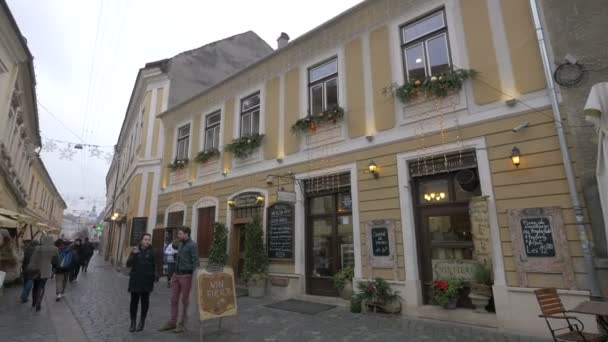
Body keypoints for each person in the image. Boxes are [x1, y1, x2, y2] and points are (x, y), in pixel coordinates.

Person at [158, 227, 199, 333]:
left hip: (186, 276)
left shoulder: (193, 245)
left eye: (180, 234)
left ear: (187, 234)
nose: (178, 235)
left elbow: (195, 261)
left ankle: (182, 324)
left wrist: (196, 276)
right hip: (176, 275)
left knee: (185, 301)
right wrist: (173, 275)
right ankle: (172, 322)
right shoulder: (180, 244)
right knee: (173, 299)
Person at [126, 233, 157, 332]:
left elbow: (155, 266)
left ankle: (142, 322)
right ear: (141, 240)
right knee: (134, 302)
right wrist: (133, 255)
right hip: (135, 279)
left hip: (147, 280)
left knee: (144, 302)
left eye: (149, 240)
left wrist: (154, 276)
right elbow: (128, 264)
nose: (147, 241)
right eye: (145, 239)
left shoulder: (152, 252)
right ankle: (133, 322)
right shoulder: (135, 250)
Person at [27, 234, 58, 311]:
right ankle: (39, 302)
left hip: (36, 270)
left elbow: (32, 259)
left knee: (35, 286)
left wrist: (30, 267)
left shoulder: (38, 248)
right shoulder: (55, 249)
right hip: (46, 271)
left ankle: (34, 302)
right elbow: (56, 261)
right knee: (42, 286)